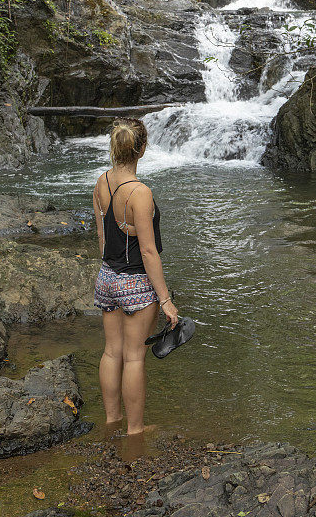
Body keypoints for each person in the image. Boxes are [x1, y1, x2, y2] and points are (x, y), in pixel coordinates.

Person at [92, 118, 178, 435]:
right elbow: (149, 252)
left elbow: (103, 239)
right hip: (135, 284)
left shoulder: (101, 182)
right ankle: (135, 430)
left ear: (115, 147)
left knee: (111, 351)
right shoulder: (140, 193)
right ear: (141, 149)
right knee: (133, 359)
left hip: (106, 277)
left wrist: (110, 272)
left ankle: (112, 420)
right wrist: (166, 300)